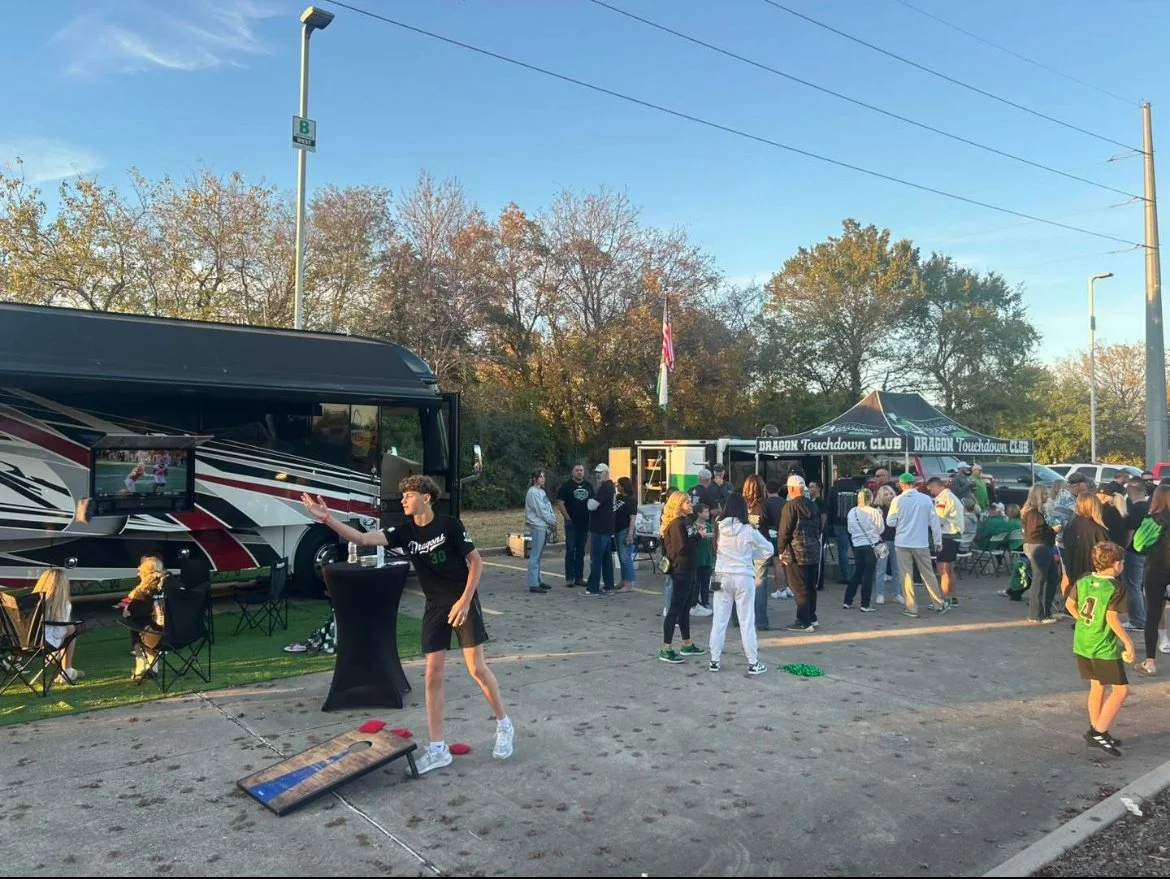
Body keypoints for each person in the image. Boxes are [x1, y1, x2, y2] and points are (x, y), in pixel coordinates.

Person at [301, 477, 513, 774]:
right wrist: (328, 519)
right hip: (434, 606)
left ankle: (504, 724)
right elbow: (362, 540)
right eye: (402, 496)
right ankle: (438, 749)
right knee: (431, 676)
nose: (403, 500)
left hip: (462, 601)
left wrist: (465, 601)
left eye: (409, 495)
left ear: (426, 498)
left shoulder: (450, 525)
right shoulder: (404, 531)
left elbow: (476, 562)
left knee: (476, 669)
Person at [1065, 541, 1134, 757]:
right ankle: (1098, 731)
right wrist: (1128, 642)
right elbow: (1111, 617)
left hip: (1082, 641)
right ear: (1115, 564)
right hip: (1103, 646)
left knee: (1097, 685)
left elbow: (1069, 604)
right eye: (1121, 562)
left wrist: (1083, 621)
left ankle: (1097, 728)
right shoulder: (1116, 587)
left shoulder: (1084, 579)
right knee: (1121, 689)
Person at [709, 493, 772, 675]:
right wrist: (750, 556)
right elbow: (769, 549)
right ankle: (753, 662)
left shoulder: (718, 526)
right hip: (743, 576)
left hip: (721, 576)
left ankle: (714, 660)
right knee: (746, 621)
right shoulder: (748, 530)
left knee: (719, 620)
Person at [887, 473, 945, 617]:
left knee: (906, 575)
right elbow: (934, 522)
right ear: (914, 484)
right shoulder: (925, 499)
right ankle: (938, 603)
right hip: (921, 542)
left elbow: (890, 522)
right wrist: (938, 541)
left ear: (901, 484)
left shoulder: (897, 500)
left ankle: (911, 608)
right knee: (928, 574)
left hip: (902, 542)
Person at [658, 490, 706, 663]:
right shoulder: (677, 524)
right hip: (681, 570)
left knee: (685, 608)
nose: (691, 505)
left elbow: (689, 541)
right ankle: (666, 648)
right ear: (678, 505)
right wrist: (698, 537)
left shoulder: (685, 522)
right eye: (687, 502)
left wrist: (697, 534)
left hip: (689, 568)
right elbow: (682, 548)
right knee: (675, 609)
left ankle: (687, 643)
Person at [776, 474, 823, 632]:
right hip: (814, 550)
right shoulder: (813, 505)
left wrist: (781, 550)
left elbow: (784, 531)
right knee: (810, 586)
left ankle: (804, 622)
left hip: (796, 553)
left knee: (798, 588)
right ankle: (811, 617)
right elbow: (819, 528)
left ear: (791, 488)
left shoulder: (789, 507)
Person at [1134, 484, 1170, 677]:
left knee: (1153, 616)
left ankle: (1150, 663)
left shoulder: (1153, 520)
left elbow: (1138, 545)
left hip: (1156, 570)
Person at [32, 568, 84, 683]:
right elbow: (59, 633)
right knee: (71, 628)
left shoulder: (32, 603)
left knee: (69, 628)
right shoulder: (62, 605)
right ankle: (67, 670)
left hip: (24, 644)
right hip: (46, 644)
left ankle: (67, 669)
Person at [123, 555, 168, 681]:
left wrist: (126, 610)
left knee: (134, 624)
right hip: (179, 635)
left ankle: (141, 665)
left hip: (155, 637)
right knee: (148, 622)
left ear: (144, 573)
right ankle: (154, 667)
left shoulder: (143, 592)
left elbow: (131, 612)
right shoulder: (172, 586)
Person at [1020, 484, 1061, 624]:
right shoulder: (1032, 513)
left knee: (1052, 576)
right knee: (1040, 579)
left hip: (1041, 545)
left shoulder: (1036, 512)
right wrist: (1053, 531)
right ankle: (1036, 614)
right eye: (1044, 494)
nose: (1047, 496)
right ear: (1037, 495)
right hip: (1038, 546)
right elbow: (1034, 532)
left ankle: (1045, 611)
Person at [1060, 494, 1109, 600]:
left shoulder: (1071, 524)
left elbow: (1065, 542)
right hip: (1092, 569)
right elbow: (1106, 550)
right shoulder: (1097, 528)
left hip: (1074, 565)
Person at [843, 488, 883, 612]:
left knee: (857, 573)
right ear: (870, 498)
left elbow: (850, 529)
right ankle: (865, 604)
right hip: (871, 545)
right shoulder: (874, 512)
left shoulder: (851, 512)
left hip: (857, 545)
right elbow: (880, 529)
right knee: (868, 575)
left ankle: (847, 600)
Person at [742, 474, 773, 630]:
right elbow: (759, 526)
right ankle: (760, 620)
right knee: (760, 584)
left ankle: (739, 618)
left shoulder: (741, 504)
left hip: (744, 547)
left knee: (743, 584)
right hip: (759, 547)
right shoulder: (762, 505)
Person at [926, 476, 963, 609]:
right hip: (956, 535)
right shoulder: (952, 496)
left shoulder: (942, 498)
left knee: (942, 569)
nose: (931, 492)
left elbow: (938, 519)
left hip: (947, 535)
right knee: (950, 568)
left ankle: (944, 600)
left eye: (931, 489)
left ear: (937, 486)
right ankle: (952, 597)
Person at [555, 464, 593, 588]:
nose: (579, 472)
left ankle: (579, 577)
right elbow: (560, 503)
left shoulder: (589, 486)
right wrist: (568, 518)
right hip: (571, 523)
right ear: (572, 472)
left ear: (584, 472)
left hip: (585, 523)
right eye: (577, 470)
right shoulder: (566, 486)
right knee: (571, 550)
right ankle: (570, 578)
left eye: (581, 470)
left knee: (581, 551)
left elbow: (593, 503)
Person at [1123, 479, 1151, 635]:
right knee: (1141, 587)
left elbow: (1130, 534)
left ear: (1130, 492)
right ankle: (1143, 617)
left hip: (1134, 552)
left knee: (1133, 586)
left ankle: (1138, 620)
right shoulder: (1149, 507)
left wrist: (1123, 550)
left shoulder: (1133, 510)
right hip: (1148, 552)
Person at [585, 463, 617, 596]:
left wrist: (589, 501)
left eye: (600, 472)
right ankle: (609, 586)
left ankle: (593, 588)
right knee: (606, 559)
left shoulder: (606, 488)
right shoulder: (610, 487)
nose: (597, 474)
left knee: (596, 558)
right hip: (607, 527)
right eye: (596, 472)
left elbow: (592, 505)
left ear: (606, 473)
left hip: (600, 528)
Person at [524, 470, 557, 594]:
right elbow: (540, 510)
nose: (543, 479)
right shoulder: (532, 492)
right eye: (540, 477)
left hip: (544, 525)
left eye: (544, 476)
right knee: (535, 555)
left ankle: (538, 580)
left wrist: (552, 520)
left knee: (539, 555)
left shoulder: (541, 492)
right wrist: (550, 520)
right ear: (534, 479)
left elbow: (547, 507)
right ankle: (533, 583)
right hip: (537, 525)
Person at [873, 484, 900, 605]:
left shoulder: (897, 507)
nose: (889, 496)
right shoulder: (877, 508)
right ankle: (880, 594)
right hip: (882, 542)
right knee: (881, 569)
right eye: (886, 494)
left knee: (897, 568)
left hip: (896, 540)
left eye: (890, 494)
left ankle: (897, 593)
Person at [614, 476, 638, 593]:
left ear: (624, 486)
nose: (617, 487)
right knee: (620, 557)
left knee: (625, 557)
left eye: (619, 485)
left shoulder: (631, 499)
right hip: (617, 530)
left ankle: (629, 582)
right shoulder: (618, 497)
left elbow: (632, 518)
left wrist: (630, 533)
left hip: (625, 529)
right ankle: (623, 580)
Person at [690, 503, 714, 616]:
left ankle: (705, 602)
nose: (708, 514)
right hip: (697, 558)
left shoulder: (709, 526)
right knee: (696, 583)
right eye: (705, 511)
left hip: (707, 558)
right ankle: (694, 603)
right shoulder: (693, 526)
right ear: (699, 513)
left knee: (706, 582)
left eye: (708, 511)